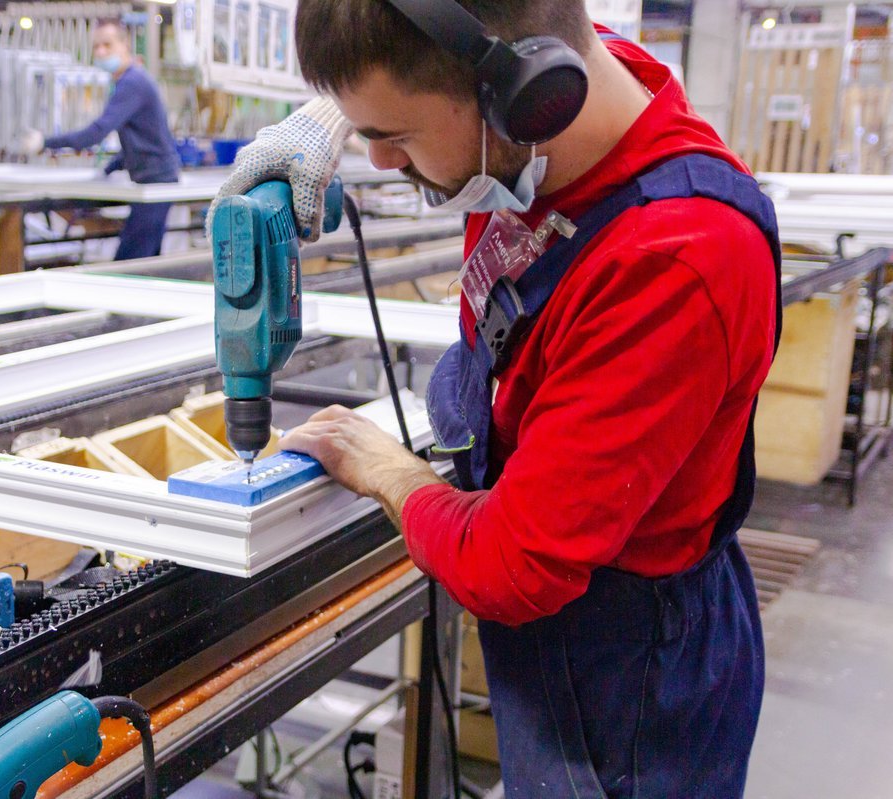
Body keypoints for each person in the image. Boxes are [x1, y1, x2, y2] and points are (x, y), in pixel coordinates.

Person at [212, 1, 780, 797]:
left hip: (627, 676)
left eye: (396, 136)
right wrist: (330, 117)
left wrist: (391, 473)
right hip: (569, 606)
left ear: (526, 97)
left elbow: (514, 566)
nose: (378, 160)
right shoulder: (566, 80)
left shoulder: (675, 260)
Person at [23, 20, 181, 261]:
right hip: (154, 180)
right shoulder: (129, 81)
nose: (100, 52)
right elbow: (142, 139)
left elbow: (95, 133)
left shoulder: (132, 83)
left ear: (125, 44)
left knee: (130, 263)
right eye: (96, 46)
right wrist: (107, 170)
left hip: (156, 184)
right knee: (144, 258)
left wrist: (44, 142)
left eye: (107, 45)